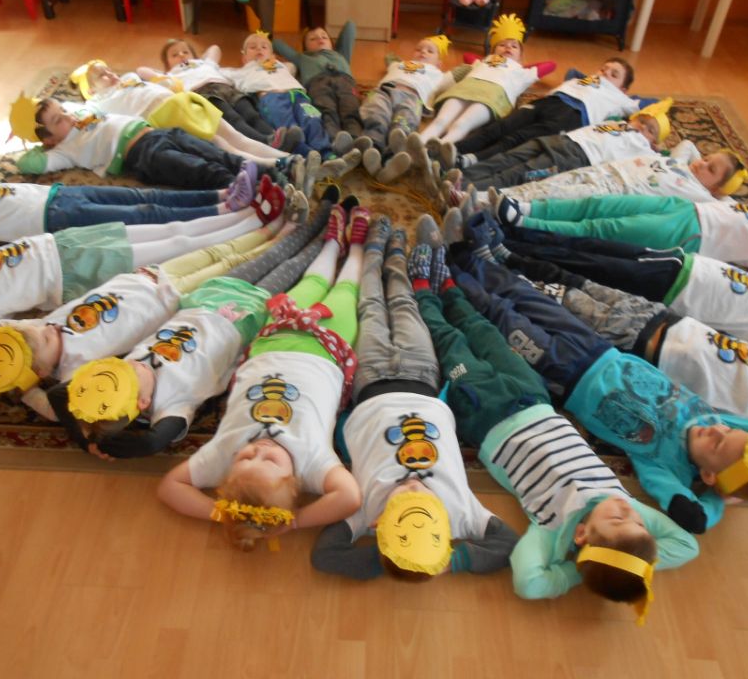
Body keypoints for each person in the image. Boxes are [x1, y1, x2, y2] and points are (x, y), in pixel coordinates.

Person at [403, 240, 698, 614]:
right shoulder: (625, 506)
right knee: (484, 332)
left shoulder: (552, 528)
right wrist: (628, 561)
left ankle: (423, 292)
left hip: (488, 414)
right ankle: (449, 287)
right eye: (641, 524)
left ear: (582, 535)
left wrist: (576, 570)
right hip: (535, 399)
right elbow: (687, 546)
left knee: (452, 344)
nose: (630, 512)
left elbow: (528, 582)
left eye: (617, 520)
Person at [446, 242, 748, 534]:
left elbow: (694, 518)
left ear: (710, 475)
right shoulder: (711, 421)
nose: (716, 430)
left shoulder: (666, 466)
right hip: (600, 349)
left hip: (566, 375)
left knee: (505, 319)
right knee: (529, 299)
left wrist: (720, 498)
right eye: (728, 431)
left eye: (717, 445)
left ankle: (448, 276)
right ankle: (471, 258)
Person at [310, 218, 518, 580]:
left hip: (371, 380)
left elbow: (325, 556)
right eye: (424, 496)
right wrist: (451, 561)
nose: (413, 484)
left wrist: (387, 557)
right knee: (404, 305)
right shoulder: (462, 513)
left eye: (403, 497)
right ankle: (396, 251)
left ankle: (375, 249)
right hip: (422, 376)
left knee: (370, 305)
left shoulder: (365, 512)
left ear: (378, 523)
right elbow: (508, 544)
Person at [157, 203, 371, 551]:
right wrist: (294, 522)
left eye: (246, 458)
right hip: (326, 350)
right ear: (294, 484)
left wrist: (223, 514)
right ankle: (357, 247)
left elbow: (169, 488)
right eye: (269, 461)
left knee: (312, 283)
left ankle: (333, 244)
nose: (258, 450)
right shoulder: (312, 464)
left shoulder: (221, 457)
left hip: (274, 339)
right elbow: (349, 497)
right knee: (345, 293)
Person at [46, 199, 332, 460]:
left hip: (208, 299)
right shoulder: (172, 404)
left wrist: (86, 442)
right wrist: (119, 447)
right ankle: (329, 235)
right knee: (294, 265)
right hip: (245, 316)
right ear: (143, 402)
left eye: (119, 367)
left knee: (269, 256)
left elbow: (57, 394)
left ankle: (318, 217)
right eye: (130, 373)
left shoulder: (120, 378)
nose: (128, 364)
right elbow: (153, 442)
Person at [0, 191, 286, 361]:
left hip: (68, 242)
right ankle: (259, 227)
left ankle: (244, 214)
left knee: (165, 228)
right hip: (79, 271)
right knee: (178, 244)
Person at [476, 219, 748, 358]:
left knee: (580, 265)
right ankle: (510, 234)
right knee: (587, 245)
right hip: (675, 260)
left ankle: (507, 255)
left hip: (664, 289)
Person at [0, 162, 272, 258]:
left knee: (143, 195)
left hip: (61, 195)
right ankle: (222, 213)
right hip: (57, 219)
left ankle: (222, 194)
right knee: (145, 213)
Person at [495, 193, 748, 286]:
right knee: (599, 204)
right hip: (685, 208)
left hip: (690, 235)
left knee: (604, 229)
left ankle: (524, 224)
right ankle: (527, 207)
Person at [71, 60, 291, 166]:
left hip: (184, 102)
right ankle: (274, 165)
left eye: (109, 70)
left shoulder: (128, 78)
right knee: (221, 144)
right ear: (91, 91)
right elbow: (80, 116)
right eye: (102, 76)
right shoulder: (98, 102)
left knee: (235, 136)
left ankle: (288, 159)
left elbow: (157, 80)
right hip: (164, 116)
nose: (110, 75)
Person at [12, 96, 251, 191]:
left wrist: (53, 111)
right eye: (58, 120)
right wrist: (36, 141)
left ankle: (254, 169)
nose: (67, 116)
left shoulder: (81, 112)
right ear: (50, 139)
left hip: (158, 133)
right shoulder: (64, 150)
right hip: (142, 156)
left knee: (213, 151)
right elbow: (27, 163)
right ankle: (237, 186)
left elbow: (73, 105)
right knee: (195, 168)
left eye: (63, 109)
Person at [450, 58, 640, 166]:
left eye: (614, 74)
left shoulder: (621, 98)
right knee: (502, 126)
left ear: (623, 89)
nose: (605, 74)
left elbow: (645, 107)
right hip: (549, 102)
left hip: (572, 115)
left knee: (520, 137)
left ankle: (472, 160)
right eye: (603, 68)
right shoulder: (583, 79)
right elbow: (572, 72)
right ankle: (455, 149)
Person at [457, 98, 670, 191]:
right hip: (562, 140)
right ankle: (460, 177)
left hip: (575, 159)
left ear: (654, 141)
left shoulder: (643, 149)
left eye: (650, 130)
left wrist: (657, 150)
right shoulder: (617, 123)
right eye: (642, 121)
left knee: (519, 173)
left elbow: (666, 161)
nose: (642, 128)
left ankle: (466, 189)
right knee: (507, 158)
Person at [482, 146, 748, 205]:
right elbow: (689, 145)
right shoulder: (681, 160)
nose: (701, 164)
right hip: (603, 170)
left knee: (547, 197)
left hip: (613, 191)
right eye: (706, 159)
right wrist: (702, 162)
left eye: (711, 169)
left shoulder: (699, 194)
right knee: (541, 185)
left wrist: (721, 192)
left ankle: (485, 205)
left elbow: (729, 208)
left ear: (716, 187)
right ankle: (485, 196)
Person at [419, 14, 539, 145]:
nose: (508, 47)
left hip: (492, 96)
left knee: (462, 124)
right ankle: (418, 143)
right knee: (441, 120)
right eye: (502, 44)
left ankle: (440, 148)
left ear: (520, 57)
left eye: (514, 46)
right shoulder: (481, 62)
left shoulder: (522, 72)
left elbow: (548, 66)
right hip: (465, 89)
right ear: (493, 51)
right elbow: (467, 57)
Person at [137, 40, 281, 146]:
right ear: (167, 64)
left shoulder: (205, 63)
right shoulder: (170, 75)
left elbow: (214, 48)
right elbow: (141, 71)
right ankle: (265, 142)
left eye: (185, 52)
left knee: (252, 115)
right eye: (174, 55)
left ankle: (276, 137)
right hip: (205, 94)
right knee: (234, 120)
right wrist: (164, 72)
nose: (181, 55)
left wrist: (198, 60)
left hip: (226, 88)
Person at [358, 35, 458, 182]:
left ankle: (393, 156)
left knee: (404, 121)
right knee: (376, 114)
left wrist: (479, 64)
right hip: (384, 91)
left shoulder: (439, 74)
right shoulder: (398, 64)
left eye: (430, 51)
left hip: (412, 97)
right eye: (418, 49)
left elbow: (462, 72)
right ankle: (372, 147)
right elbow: (390, 57)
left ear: (439, 63)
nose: (423, 52)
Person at [222, 31, 334, 158]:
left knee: (312, 119)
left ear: (272, 55)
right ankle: (305, 153)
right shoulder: (240, 72)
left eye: (264, 47)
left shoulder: (282, 66)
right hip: (271, 97)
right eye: (252, 47)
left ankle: (326, 152)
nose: (259, 49)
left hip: (297, 94)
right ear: (244, 58)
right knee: (287, 125)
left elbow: (292, 66)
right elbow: (217, 72)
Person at [272, 23, 366, 147]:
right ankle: (334, 142)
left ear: (331, 43)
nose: (320, 39)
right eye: (313, 39)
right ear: (305, 47)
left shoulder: (341, 54)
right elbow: (277, 44)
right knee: (327, 112)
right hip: (318, 84)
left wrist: (331, 42)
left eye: (324, 37)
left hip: (345, 83)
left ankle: (356, 141)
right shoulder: (301, 57)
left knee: (351, 110)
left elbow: (350, 27)